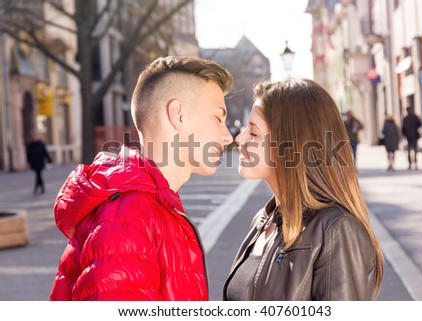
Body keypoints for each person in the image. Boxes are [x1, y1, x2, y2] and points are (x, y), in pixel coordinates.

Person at [50, 56, 233, 300]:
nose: (228, 136)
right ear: (178, 115)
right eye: (218, 117)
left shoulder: (151, 205)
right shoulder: (128, 215)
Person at [223, 78, 384, 300]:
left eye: (254, 132)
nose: (239, 138)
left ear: (290, 146)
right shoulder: (264, 219)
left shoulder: (336, 230)